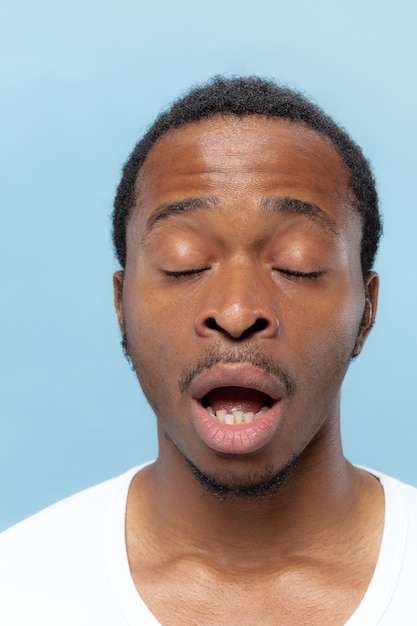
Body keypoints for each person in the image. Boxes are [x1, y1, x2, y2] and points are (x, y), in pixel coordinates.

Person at [0, 76, 416, 625]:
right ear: (121, 306)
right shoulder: (20, 588)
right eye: (184, 263)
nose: (238, 311)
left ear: (366, 308)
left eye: (297, 262)